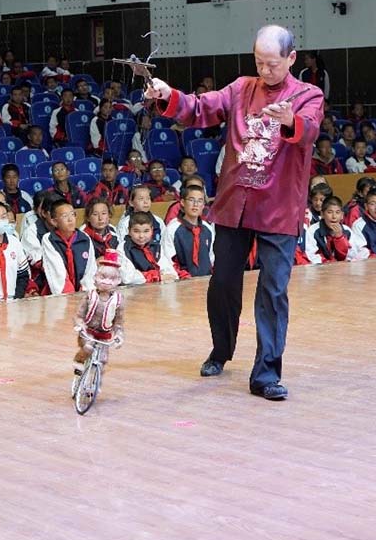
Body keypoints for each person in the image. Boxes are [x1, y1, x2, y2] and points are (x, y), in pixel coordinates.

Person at [146, 24, 324, 400]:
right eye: (259, 62)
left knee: (272, 290)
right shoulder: (241, 88)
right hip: (236, 203)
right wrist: (168, 95)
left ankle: (266, 374)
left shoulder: (309, 94)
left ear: (291, 58)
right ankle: (221, 350)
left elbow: (308, 131)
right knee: (223, 284)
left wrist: (289, 120)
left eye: (272, 63)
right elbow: (201, 108)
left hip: (279, 207)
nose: (265, 70)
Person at [71, 249, 125, 398]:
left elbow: (118, 322)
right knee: (87, 347)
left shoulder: (118, 301)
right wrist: (80, 325)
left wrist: (119, 335)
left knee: (102, 360)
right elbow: (79, 315)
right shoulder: (90, 296)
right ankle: (79, 362)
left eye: (112, 279)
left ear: (118, 281)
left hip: (104, 335)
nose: (106, 282)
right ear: (95, 278)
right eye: (103, 277)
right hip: (88, 331)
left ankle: (95, 384)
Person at [39, 200, 97, 295]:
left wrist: (85, 292)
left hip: (83, 293)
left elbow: (90, 269)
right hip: (60, 295)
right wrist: (70, 297)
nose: (70, 219)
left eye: (72, 214)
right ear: (54, 221)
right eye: (64, 216)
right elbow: (57, 272)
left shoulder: (84, 238)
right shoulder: (49, 239)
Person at [163, 184, 215, 279]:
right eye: (191, 200)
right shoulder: (172, 228)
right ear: (182, 202)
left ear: (203, 205)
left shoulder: (207, 228)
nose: (195, 204)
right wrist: (183, 277)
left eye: (200, 201)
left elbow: (212, 257)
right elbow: (168, 259)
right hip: (183, 281)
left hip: (206, 279)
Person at [304, 196, 370, 264]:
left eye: (337, 212)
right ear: (322, 214)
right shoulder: (313, 231)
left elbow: (352, 254)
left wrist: (340, 238)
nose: (334, 216)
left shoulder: (347, 231)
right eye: (330, 212)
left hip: (343, 267)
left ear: (342, 215)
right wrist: (330, 263)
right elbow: (311, 255)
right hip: (321, 267)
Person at [119, 212, 178, 285]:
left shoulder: (156, 247)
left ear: (152, 230)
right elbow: (127, 278)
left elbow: (170, 273)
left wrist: (160, 276)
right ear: (129, 231)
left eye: (146, 231)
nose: (141, 236)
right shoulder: (123, 248)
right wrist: (156, 276)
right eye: (136, 231)